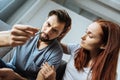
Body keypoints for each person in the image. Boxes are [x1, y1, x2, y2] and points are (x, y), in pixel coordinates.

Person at [0, 9, 71, 80]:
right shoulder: (28, 33)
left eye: (54, 30)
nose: (47, 31)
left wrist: (14, 76)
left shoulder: (56, 54)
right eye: (48, 24)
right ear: (45, 20)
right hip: (9, 68)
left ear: (60, 34)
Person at [39, 19, 120, 80]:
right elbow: (56, 44)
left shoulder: (107, 75)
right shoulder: (77, 49)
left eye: (90, 36)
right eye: (86, 31)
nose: (82, 37)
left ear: (104, 45)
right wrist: (60, 34)